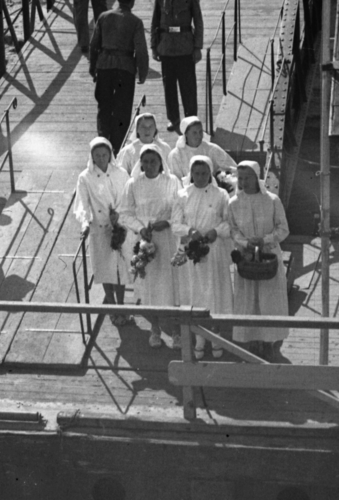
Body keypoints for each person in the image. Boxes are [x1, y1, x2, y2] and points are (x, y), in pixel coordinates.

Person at [227, 161, 289, 360]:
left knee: (269, 300)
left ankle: (270, 342)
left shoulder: (272, 200)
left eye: (248, 177)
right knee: (249, 300)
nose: (244, 182)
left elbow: (283, 229)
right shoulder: (233, 203)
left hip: (269, 256)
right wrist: (244, 242)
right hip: (247, 257)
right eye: (240, 178)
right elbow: (233, 229)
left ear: (257, 177)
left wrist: (265, 239)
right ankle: (252, 341)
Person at [119, 147, 180, 346]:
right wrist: (140, 228)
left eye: (153, 161)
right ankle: (154, 329)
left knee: (170, 286)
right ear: (141, 163)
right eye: (145, 161)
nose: (149, 165)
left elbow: (180, 210)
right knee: (148, 286)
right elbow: (125, 214)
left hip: (168, 240)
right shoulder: (133, 184)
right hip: (145, 240)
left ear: (161, 162)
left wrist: (168, 222)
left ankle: (176, 331)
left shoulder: (172, 182)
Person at [177, 155, 233, 357]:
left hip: (214, 251)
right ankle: (199, 340)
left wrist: (216, 231)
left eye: (204, 173)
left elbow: (228, 222)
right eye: (196, 173)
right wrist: (190, 231)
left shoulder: (221, 195)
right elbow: (175, 223)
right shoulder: (183, 195)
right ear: (191, 173)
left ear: (210, 173)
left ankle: (216, 339)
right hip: (192, 253)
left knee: (215, 294)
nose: (200, 177)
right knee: (196, 293)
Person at [75, 137, 132, 323]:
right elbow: (82, 204)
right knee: (106, 269)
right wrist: (85, 223)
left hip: (119, 227)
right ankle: (112, 307)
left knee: (120, 269)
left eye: (104, 154)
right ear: (91, 157)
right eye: (97, 155)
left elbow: (128, 197)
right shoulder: (85, 177)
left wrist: (119, 214)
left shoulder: (121, 173)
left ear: (110, 154)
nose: (101, 159)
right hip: (99, 230)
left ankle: (121, 306)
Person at [88, 0, 150, 151]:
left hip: (105, 67)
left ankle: (102, 141)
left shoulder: (104, 17)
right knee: (122, 110)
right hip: (125, 69)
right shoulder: (135, 22)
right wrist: (142, 73)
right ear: (132, 1)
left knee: (104, 107)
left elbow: (94, 45)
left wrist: (93, 68)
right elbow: (141, 50)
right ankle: (117, 147)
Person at [150, 0, 203, 132]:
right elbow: (154, 24)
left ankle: (191, 119)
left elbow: (198, 23)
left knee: (188, 86)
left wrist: (197, 47)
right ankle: (173, 119)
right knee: (169, 88)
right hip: (166, 49)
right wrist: (154, 47)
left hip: (185, 48)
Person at [167, 116, 234, 181]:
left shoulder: (211, 149)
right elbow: (176, 181)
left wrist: (221, 174)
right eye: (194, 133)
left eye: (200, 131)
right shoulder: (176, 155)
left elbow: (232, 167)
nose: (199, 136)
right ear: (186, 134)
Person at [118, 111, 173, 178]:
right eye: (143, 127)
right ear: (137, 129)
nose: (147, 130)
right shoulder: (127, 151)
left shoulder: (164, 148)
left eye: (150, 126)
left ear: (155, 129)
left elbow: (171, 173)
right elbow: (121, 176)